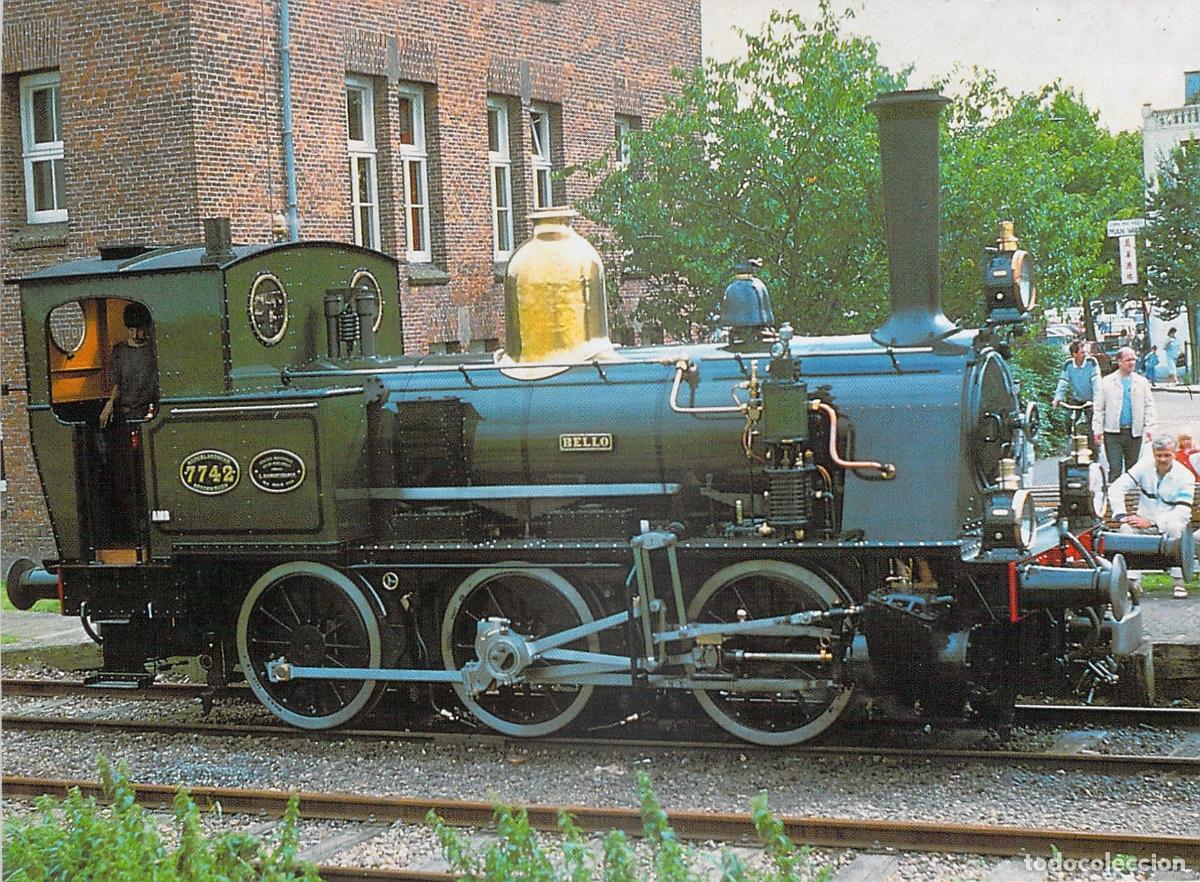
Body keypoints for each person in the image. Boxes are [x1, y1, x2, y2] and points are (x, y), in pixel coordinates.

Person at [1108, 433, 1198, 598]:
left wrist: (1152, 522)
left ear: (1174, 453)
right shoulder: (1143, 467)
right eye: (1159, 455)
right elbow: (1116, 488)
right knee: (1126, 529)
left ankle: (1178, 582)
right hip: (1142, 523)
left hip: (1169, 523)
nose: (1163, 459)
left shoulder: (1185, 476)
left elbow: (1182, 511)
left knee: (1176, 529)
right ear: (1153, 454)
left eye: (1167, 455)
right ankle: (1133, 582)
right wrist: (1121, 515)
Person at [1093, 346, 1156, 482]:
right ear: (1119, 361)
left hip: (1134, 433)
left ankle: (1130, 500)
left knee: (1132, 470)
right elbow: (1099, 408)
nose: (1131, 363)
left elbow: (1149, 406)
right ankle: (1111, 499)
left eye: (1133, 359)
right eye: (1128, 360)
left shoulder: (1142, 382)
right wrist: (1097, 430)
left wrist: (1149, 428)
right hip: (1112, 433)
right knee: (1115, 468)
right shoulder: (1107, 382)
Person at [101, 302, 159, 427]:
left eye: (139, 329)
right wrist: (110, 403)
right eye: (131, 330)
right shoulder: (120, 350)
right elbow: (117, 384)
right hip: (125, 414)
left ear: (147, 327)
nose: (135, 335)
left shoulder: (154, 350)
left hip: (149, 414)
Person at [1052, 340, 1100, 452]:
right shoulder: (1068, 365)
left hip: (1091, 399)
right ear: (1074, 354)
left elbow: (1096, 383)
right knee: (1069, 419)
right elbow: (1063, 382)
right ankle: (1070, 439)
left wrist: (1096, 401)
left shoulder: (1091, 362)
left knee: (1092, 425)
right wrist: (1057, 399)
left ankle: (1094, 451)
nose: (1085, 354)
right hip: (1077, 398)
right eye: (1082, 352)